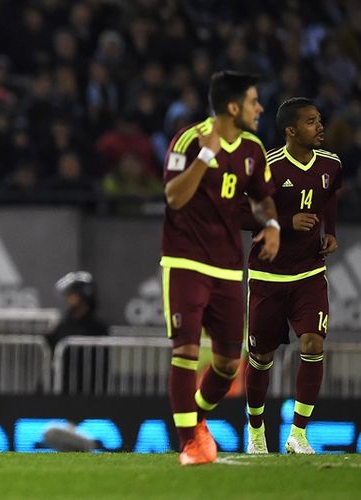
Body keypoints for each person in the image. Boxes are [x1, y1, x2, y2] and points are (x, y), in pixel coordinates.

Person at [161, 71, 280, 465]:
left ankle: (195, 422)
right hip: (185, 261)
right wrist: (206, 157)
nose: (259, 108)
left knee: (229, 364)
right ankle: (190, 443)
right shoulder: (189, 140)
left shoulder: (254, 147)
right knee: (187, 351)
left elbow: (263, 198)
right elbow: (174, 197)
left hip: (228, 266)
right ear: (233, 107)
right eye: (253, 101)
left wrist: (274, 225)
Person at [242, 98, 341, 455]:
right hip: (268, 275)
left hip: (309, 272)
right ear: (291, 130)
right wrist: (285, 223)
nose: (320, 126)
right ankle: (255, 432)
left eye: (319, 119)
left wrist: (329, 231)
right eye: (312, 122)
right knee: (261, 357)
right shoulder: (266, 167)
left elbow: (328, 197)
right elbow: (240, 214)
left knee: (314, 343)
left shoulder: (331, 163)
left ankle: (298, 434)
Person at [46, 271, 107, 350]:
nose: (68, 299)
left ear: (84, 295)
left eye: (72, 294)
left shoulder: (98, 328)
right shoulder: (64, 325)